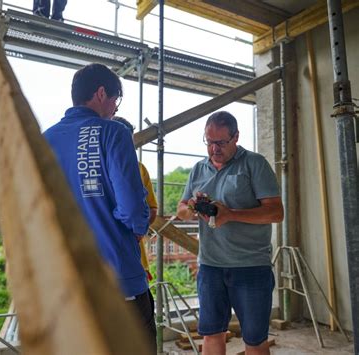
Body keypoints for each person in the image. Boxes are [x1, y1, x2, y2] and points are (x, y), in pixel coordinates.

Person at [44, 63, 156, 352]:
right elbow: (132, 210)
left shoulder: (45, 140)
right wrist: (137, 226)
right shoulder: (113, 133)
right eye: (116, 100)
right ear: (102, 93)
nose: (115, 109)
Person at [176, 111, 284, 355]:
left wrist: (230, 214)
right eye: (209, 141)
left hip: (251, 267)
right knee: (212, 335)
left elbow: (276, 213)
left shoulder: (254, 164)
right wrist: (192, 207)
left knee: (255, 341)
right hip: (211, 266)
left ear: (236, 137)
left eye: (221, 142)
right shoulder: (198, 169)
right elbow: (180, 211)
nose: (214, 149)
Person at [111, 116, 158, 281]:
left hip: (135, 257)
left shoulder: (139, 168)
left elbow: (152, 209)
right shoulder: (96, 168)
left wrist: (139, 231)